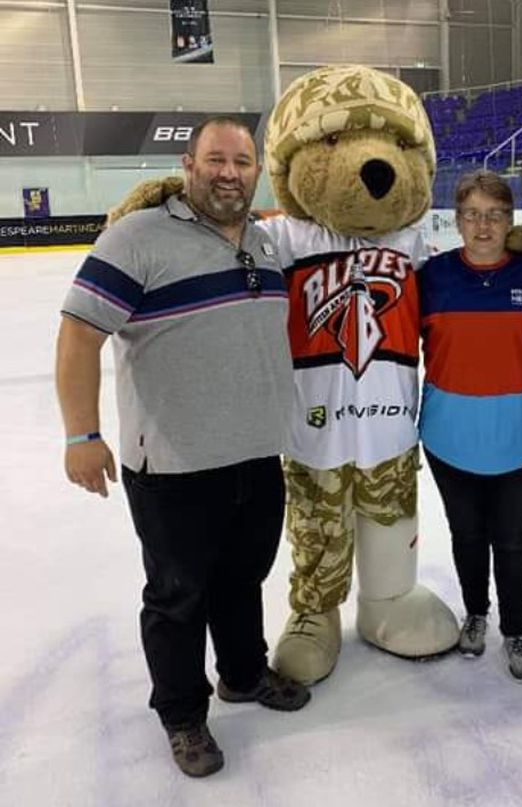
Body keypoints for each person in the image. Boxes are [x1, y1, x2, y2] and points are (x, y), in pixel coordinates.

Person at [55, 115, 310, 778]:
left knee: (242, 578)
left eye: (243, 161)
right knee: (177, 594)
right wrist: (82, 433)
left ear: (257, 171)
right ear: (189, 166)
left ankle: (244, 673)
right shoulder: (138, 237)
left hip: (256, 455)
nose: (230, 172)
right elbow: (79, 334)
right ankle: (181, 713)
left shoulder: (265, 242)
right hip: (170, 466)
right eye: (217, 160)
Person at [417, 170, 522, 682]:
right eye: (472, 214)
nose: (483, 225)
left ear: (509, 221)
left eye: (495, 215)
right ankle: (476, 614)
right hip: (451, 435)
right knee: (467, 534)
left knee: (513, 537)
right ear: (457, 221)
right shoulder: (433, 277)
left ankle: (515, 630)